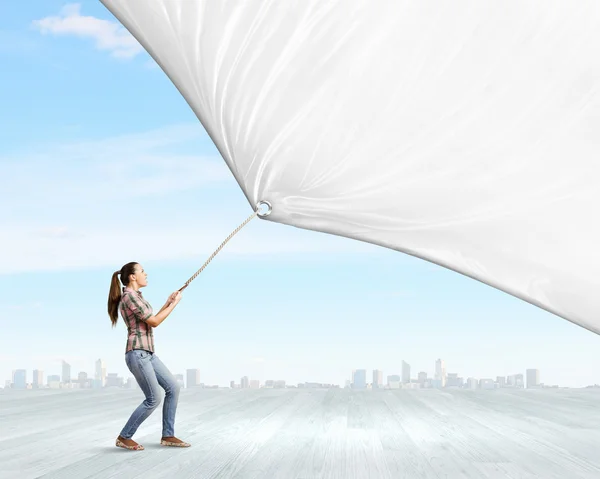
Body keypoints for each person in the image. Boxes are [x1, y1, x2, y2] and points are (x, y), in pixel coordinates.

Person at [107, 261, 190, 451]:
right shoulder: (129, 297)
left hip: (148, 353)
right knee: (153, 398)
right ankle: (124, 436)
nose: (146, 274)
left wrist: (168, 302)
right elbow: (154, 322)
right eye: (142, 271)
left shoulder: (137, 297)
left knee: (173, 388)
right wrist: (175, 305)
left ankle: (168, 435)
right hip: (138, 354)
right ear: (132, 277)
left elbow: (150, 319)